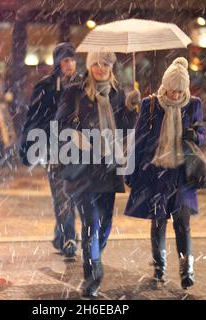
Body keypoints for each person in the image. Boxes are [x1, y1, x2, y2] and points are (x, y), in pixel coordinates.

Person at [56, 51, 139, 298]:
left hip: (108, 166)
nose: (100, 68)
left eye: (106, 64)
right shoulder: (74, 92)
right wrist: (74, 133)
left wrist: (132, 108)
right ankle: (92, 273)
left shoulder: (119, 94)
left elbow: (126, 128)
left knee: (105, 224)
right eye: (96, 64)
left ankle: (94, 255)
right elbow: (60, 123)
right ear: (90, 65)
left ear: (112, 68)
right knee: (91, 221)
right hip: (83, 167)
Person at [124, 57, 206, 289]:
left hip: (182, 175)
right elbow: (137, 142)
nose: (176, 96)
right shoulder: (151, 105)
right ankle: (159, 268)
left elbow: (202, 133)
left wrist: (194, 136)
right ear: (165, 86)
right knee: (158, 221)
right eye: (172, 91)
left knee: (182, 223)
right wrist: (130, 171)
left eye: (181, 91)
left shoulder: (194, 104)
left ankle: (186, 269)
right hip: (155, 173)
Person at [19, 42, 82, 257]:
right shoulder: (45, 86)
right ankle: (69, 238)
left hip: (78, 147)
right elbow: (34, 116)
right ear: (57, 62)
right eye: (66, 60)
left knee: (72, 194)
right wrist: (32, 143)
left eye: (73, 60)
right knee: (61, 194)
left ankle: (62, 234)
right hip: (53, 147)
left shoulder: (83, 85)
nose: (70, 65)